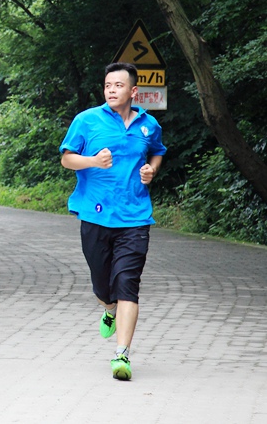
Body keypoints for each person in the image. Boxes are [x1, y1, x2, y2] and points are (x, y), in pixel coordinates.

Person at [59, 62, 167, 381]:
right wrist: (92, 161)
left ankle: (122, 354)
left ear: (133, 92)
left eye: (118, 85)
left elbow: (157, 152)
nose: (111, 90)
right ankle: (108, 309)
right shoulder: (87, 121)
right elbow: (66, 158)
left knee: (127, 284)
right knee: (102, 283)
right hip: (95, 215)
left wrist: (152, 170)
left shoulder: (149, 125)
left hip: (134, 216)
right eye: (107, 85)